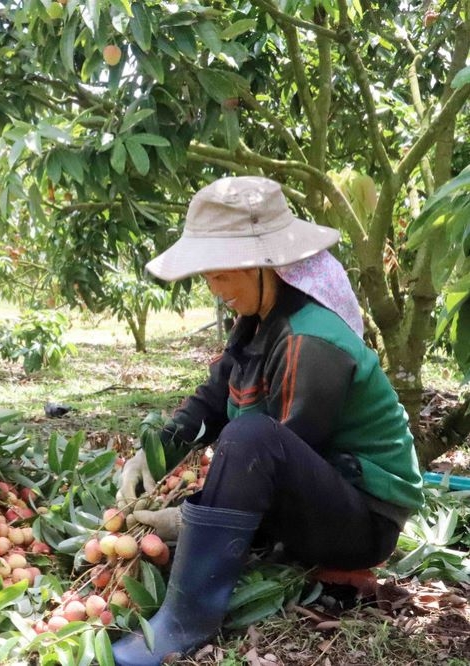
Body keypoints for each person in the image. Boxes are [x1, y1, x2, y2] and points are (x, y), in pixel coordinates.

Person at [111, 176, 423, 666]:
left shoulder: (310, 342)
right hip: (322, 498)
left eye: (219, 275)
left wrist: (194, 519)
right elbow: (215, 396)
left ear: (262, 266)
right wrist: (155, 453)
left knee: (250, 435)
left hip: (362, 520)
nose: (214, 290)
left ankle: (184, 621)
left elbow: (271, 456)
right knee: (243, 434)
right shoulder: (262, 321)